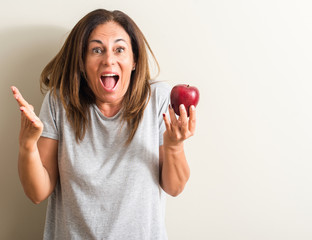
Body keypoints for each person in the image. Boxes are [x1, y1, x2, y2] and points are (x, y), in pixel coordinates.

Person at [11, 9, 196, 240]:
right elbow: (37, 193)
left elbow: (174, 188)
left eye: (120, 49)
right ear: (81, 62)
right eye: (96, 50)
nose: (109, 59)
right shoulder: (59, 102)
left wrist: (174, 147)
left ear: (134, 60)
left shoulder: (158, 100)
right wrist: (27, 145)